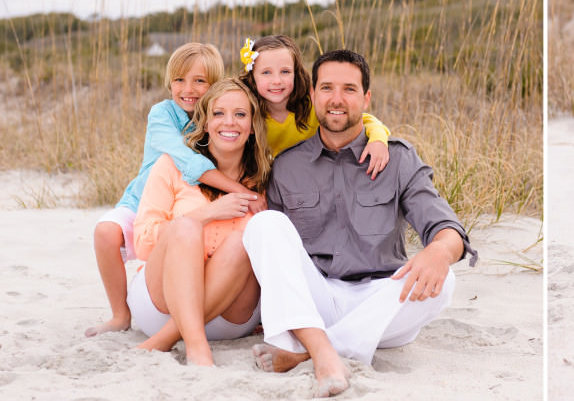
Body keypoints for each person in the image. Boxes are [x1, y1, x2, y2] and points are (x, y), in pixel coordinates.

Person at [242, 49, 476, 397]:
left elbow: (445, 225)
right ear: (312, 95)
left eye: (349, 89)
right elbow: (278, 259)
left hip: (381, 300)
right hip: (316, 297)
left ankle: (310, 350)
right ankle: (327, 349)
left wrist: (440, 251)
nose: (337, 100)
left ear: (366, 98)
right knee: (264, 225)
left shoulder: (397, 158)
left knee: (446, 280)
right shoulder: (287, 166)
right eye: (327, 88)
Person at [87, 43, 262, 337]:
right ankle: (120, 314)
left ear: (214, 86)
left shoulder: (218, 116)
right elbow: (187, 161)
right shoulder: (162, 114)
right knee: (106, 232)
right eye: (179, 80)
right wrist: (239, 191)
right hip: (142, 198)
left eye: (200, 81)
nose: (188, 89)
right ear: (169, 84)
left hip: (184, 200)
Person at [127, 78, 270, 365]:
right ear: (205, 123)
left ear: (253, 125)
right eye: (218, 113)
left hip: (230, 317)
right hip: (161, 307)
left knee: (247, 239)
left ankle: (169, 338)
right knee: (185, 226)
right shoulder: (171, 166)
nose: (229, 122)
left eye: (240, 114)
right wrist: (207, 214)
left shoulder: (266, 179)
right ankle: (196, 348)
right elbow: (142, 244)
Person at [238, 35, 392, 174]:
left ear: (296, 73)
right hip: (273, 183)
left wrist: (378, 139)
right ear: (253, 76)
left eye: (285, 71)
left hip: (317, 177)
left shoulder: (310, 106)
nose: (277, 80)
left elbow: (361, 120)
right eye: (266, 72)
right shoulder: (248, 112)